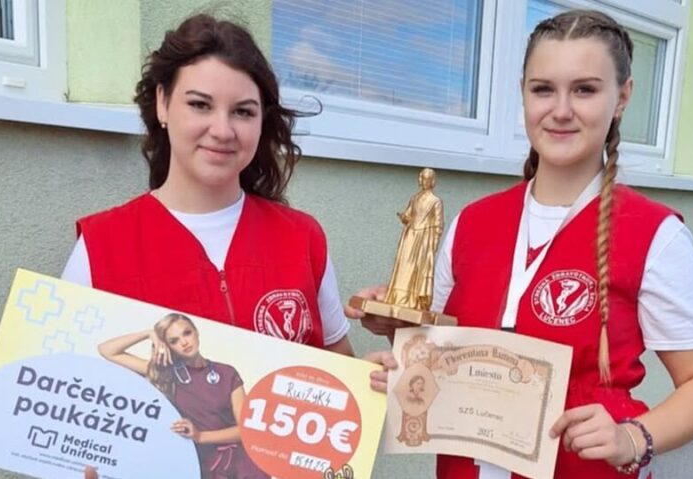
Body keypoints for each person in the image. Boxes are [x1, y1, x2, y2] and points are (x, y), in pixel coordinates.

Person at [348, 9, 693, 479]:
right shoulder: (473, 223)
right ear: (523, 93)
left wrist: (633, 437)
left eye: (585, 89)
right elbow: (446, 351)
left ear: (622, 97)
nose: (561, 110)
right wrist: (397, 333)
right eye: (543, 89)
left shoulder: (654, 234)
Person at [61, 14, 354, 357]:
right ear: (162, 103)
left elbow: (339, 370)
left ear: (262, 120)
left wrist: (382, 372)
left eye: (243, 112)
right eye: (200, 105)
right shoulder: (100, 247)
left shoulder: (303, 239)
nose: (222, 130)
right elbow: (60, 377)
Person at [98, 313, 268, 479]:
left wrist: (200, 436)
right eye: (174, 341)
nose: (184, 342)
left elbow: (246, 430)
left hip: (243, 465)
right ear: (167, 346)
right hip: (202, 467)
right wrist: (149, 334)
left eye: (187, 333)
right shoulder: (166, 374)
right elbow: (107, 350)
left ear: (196, 332)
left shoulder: (227, 373)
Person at [384, 168, 444, 311]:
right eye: (423, 178)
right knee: (404, 265)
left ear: (433, 181)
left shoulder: (436, 201)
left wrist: (434, 243)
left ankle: (413, 299)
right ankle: (398, 297)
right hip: (410, 235)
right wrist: (404, 217)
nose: (425, 182)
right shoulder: (414, 198)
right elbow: (409, 214)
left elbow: (439, 224)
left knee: (417, 269)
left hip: (424, 239)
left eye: (428, 179)